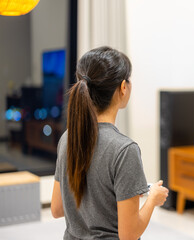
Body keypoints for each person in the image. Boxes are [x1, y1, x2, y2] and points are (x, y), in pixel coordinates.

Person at [51, 46, 169, 240]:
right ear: (123, 87)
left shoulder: (68, 138)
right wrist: (152, 199)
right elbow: (129, 235)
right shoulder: (124, 150)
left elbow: (56, 209)